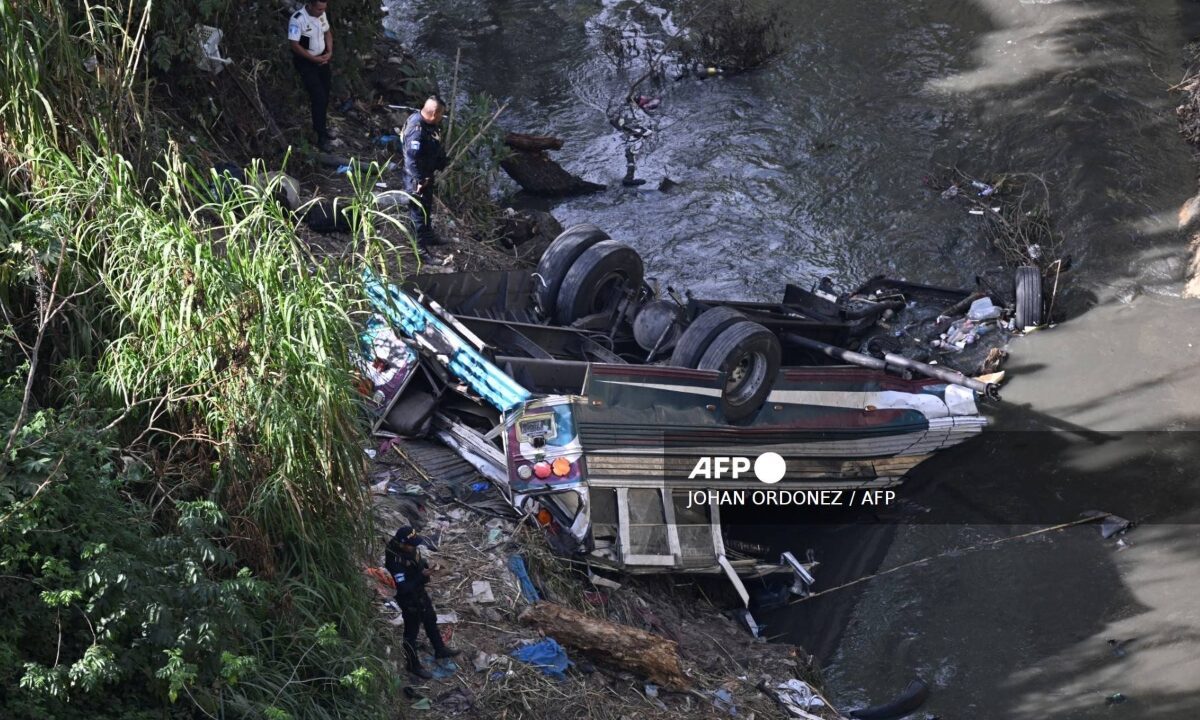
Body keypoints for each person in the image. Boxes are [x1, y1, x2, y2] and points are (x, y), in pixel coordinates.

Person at [384, 526, 460, 679]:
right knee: (411, 634)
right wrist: (422, 576)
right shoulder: (395, 560)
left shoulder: (409, 549)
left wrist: (426, 567)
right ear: (402, 544)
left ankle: (440, 649)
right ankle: (413, 666)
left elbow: (417, 561)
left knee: (430, 619)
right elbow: (403, 588)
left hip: (419, 593)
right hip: (409, 600)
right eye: (412, 544)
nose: (414, 547)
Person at [288, 0, 334, 151]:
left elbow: (327, 33)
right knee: (318, 97)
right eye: (319, 8)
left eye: (324, 8)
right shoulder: (298, 19)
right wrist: (313, 59)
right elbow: (295, 45)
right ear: (311, 6)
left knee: (325, 95)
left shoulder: (322, 15)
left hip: (322, 59)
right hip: (307, 63)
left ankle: (323, 128)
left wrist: (329, 52)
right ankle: (320, 136)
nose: (322, 11)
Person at [402, 97, 449, 246]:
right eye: (441, 114)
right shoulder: (416, 130)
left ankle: (428, 236)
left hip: (427, 174)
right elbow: (411, 160)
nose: (442, 118)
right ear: (434, 114)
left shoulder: (429, 124)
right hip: (416, 178)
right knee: (417, 214)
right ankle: (419, 249)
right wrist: (420, 181)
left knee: (426, 208)